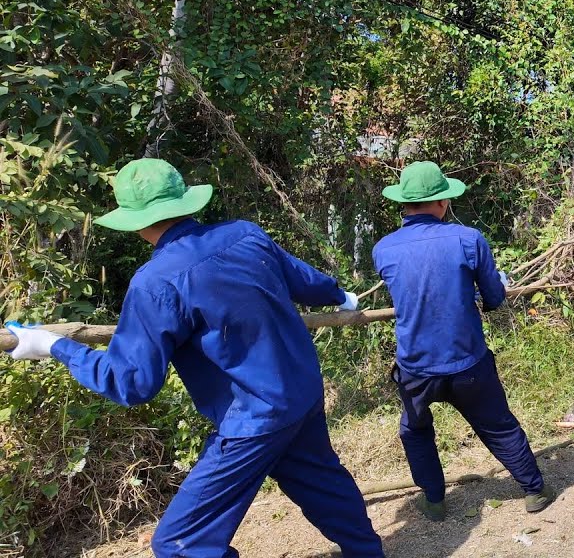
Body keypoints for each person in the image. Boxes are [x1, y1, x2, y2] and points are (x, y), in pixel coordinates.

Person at [4, 159, 384, 558]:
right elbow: (303, 278)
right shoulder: (245, 235)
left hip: (253, 419)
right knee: (324, 485)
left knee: (181, 544)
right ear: (185, 201)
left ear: (135, 222)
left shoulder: (154, 284)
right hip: (301, 393)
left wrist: (52, 346)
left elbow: (131, 382)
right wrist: (340, 295)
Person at [373, 161, 553, 521]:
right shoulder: (468, 239)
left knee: (415, 431)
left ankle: (435, 501)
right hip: (468, 362)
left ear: (404, 205)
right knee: (498, 425)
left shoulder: (384, 249)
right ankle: (534, 490)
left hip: (416, 368)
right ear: (442, 202)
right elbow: (495, 299)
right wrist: (489, 286)